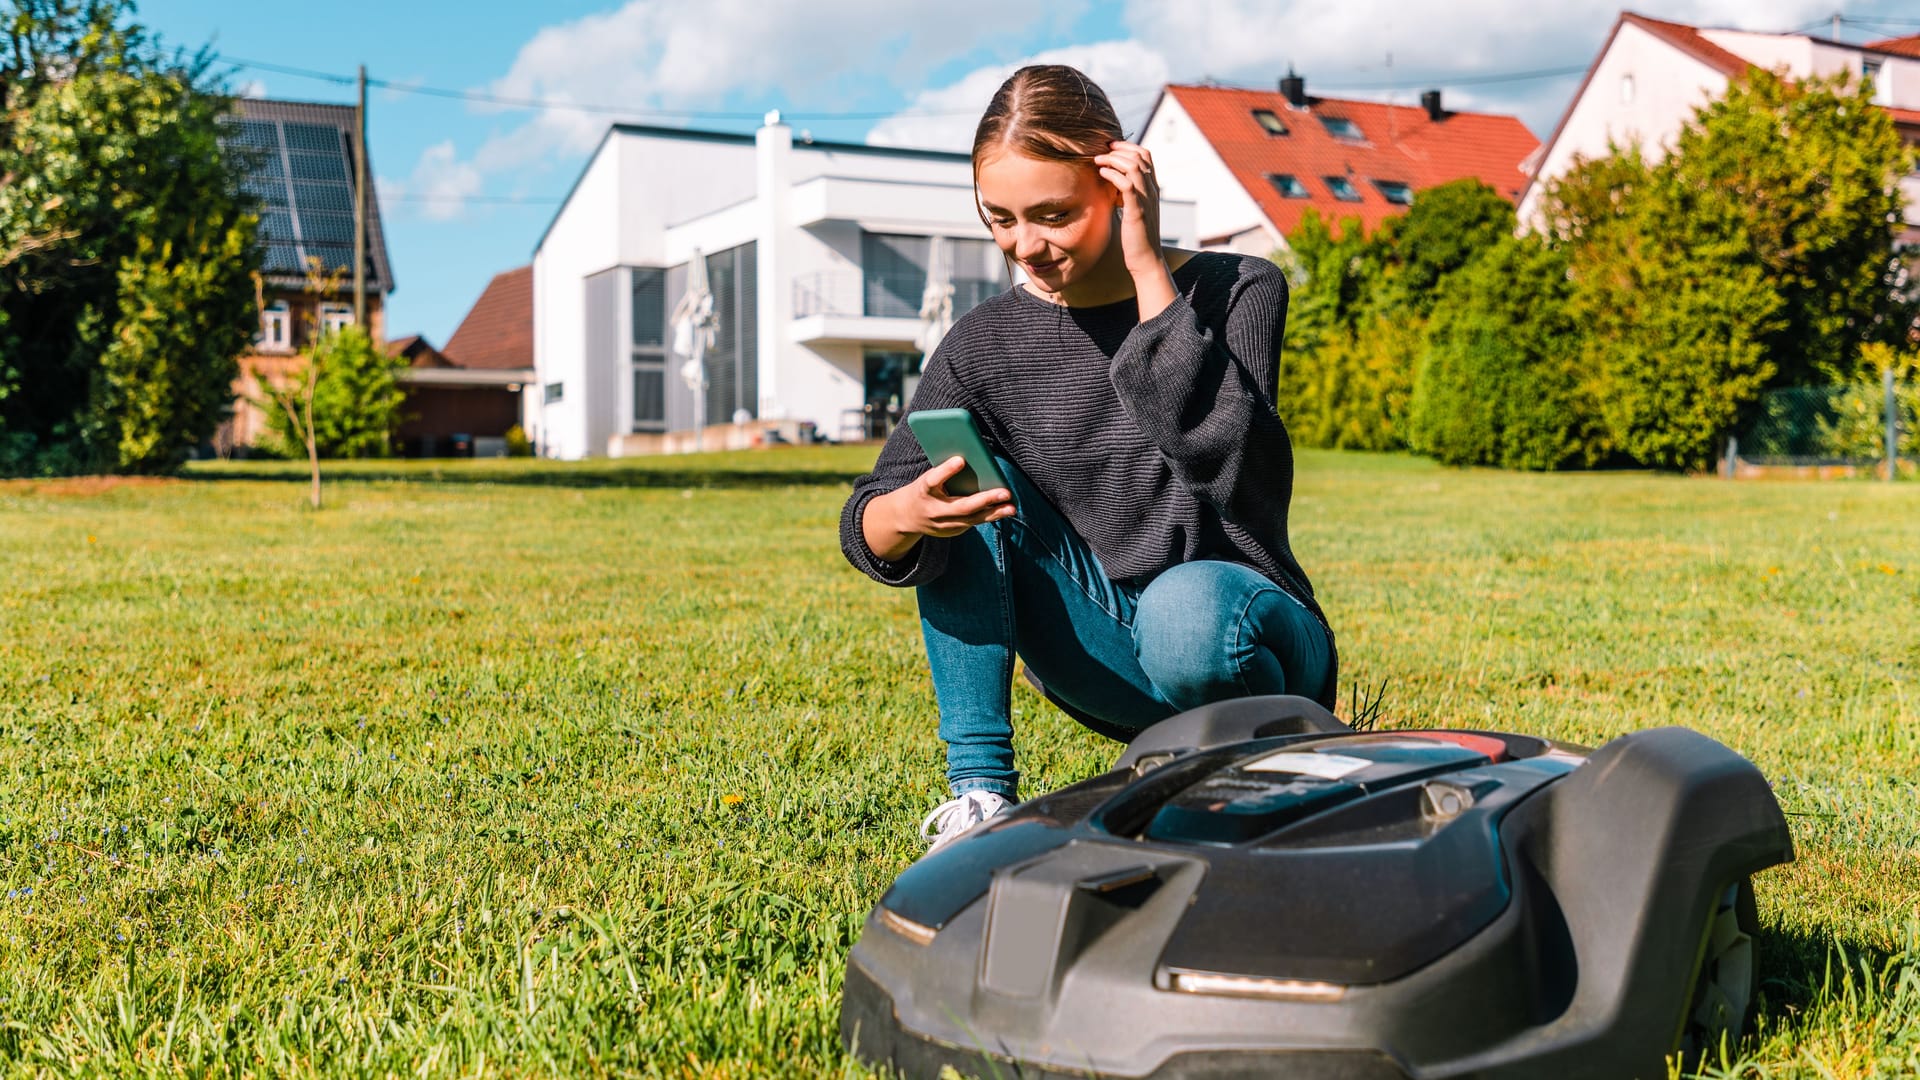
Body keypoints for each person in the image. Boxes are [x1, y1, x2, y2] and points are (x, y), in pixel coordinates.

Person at [838, 64, 1337, 853]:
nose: (1024, 245)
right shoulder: (980, 346)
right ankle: (980, 799)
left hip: (1246, 636)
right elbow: (870, 515)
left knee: (1185, 610)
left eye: (1053, 215)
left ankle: (1264, 759)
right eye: (998, 217)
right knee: (964, 491)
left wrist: (1147, 274)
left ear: (1120, 179)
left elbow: (1235, 470)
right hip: (1106, 654)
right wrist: (904, 515)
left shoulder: (1240, 287)